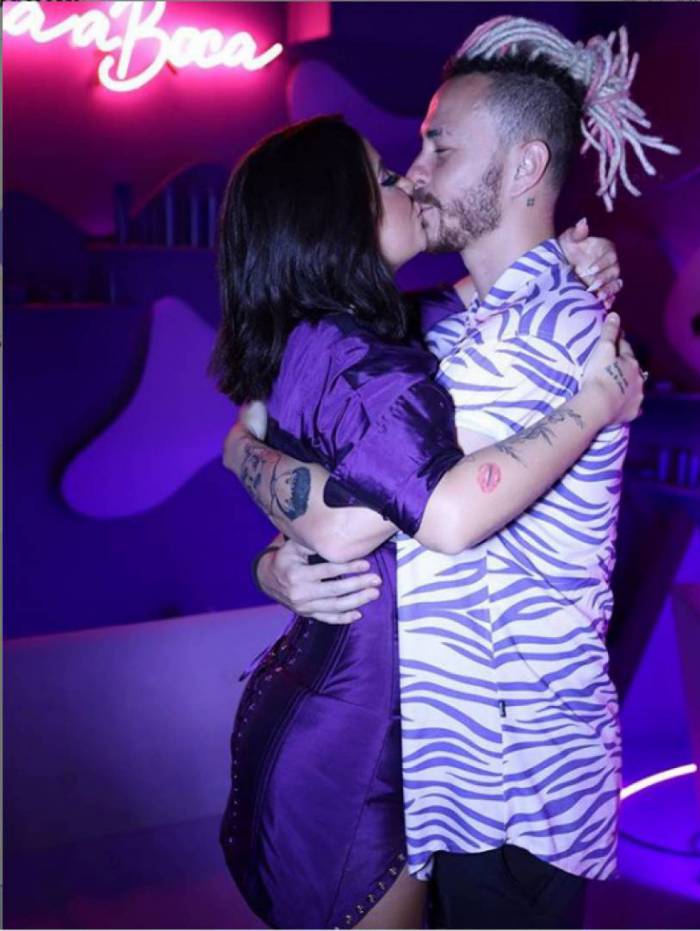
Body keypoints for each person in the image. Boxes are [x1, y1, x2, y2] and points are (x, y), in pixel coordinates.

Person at [229, 17, 678, 930]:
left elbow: (383, 511)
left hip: (513, 783)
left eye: (440, 148)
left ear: (523, 166)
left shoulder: (547, 335)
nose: (417, 171)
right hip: (451, 769)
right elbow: (299, 437)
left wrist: (275, 497)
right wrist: (271, 544)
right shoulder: (441, 328)